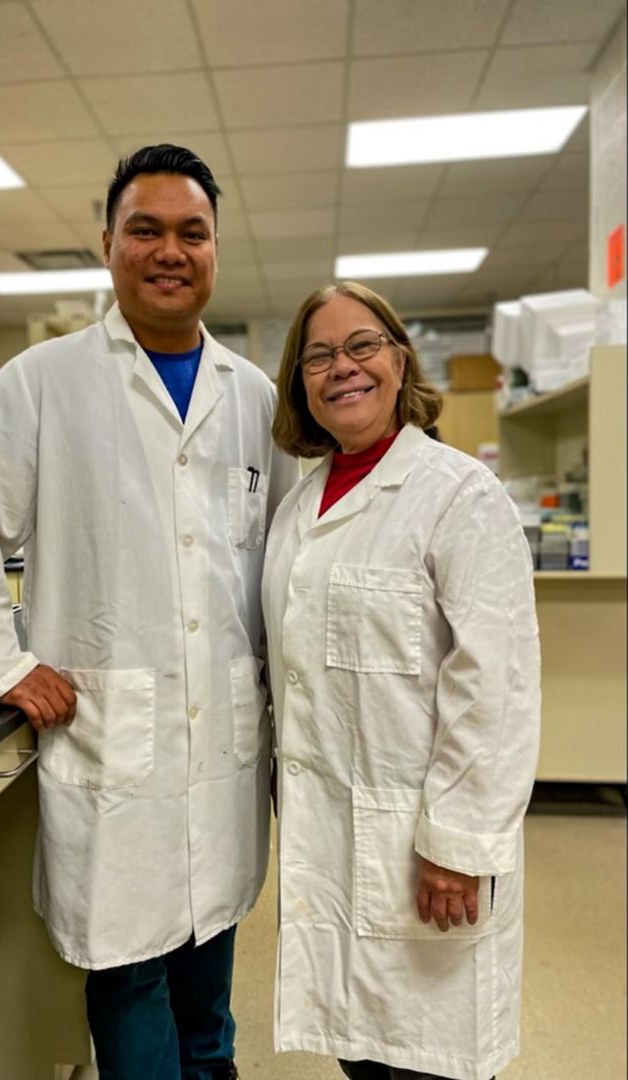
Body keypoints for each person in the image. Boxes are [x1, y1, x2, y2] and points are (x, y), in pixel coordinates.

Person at [0, 144, 298, 1080]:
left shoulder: (254, 396)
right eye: (146, 229)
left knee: (210, 974)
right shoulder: (41, 381)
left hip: (220, 740)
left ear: (216, 249)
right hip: (112, 737)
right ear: (109, 245)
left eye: (192, 232)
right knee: (129, 984)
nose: (169, 250)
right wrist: (5, 665)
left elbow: (280, 562)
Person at [261, 282, 540, 1080]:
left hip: (425, 850)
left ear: (400, 360)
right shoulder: (298, 507)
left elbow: (498, 687)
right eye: (318, 355)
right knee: (363, 1055)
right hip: (330, 834)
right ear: (300, 384)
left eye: (362, 346)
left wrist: (458, 845)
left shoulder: (459, 495)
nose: (341, 367)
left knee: (432, 1063)